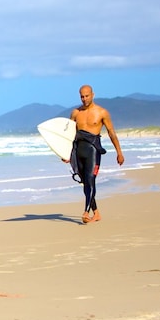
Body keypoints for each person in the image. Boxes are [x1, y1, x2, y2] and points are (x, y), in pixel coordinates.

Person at [64, 85, 124, 224]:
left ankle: (86, 212)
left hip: (93, 150)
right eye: (82, 96)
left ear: (93, 95)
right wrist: (66, 153)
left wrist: (119, 153)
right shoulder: (75, 113)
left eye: (87, 96)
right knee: (85, 183)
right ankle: (96, 213)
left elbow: (111, 132)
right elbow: (68, 135)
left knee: (90, 179)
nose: (84, 99)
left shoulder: (102, 112)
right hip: (78, 150)